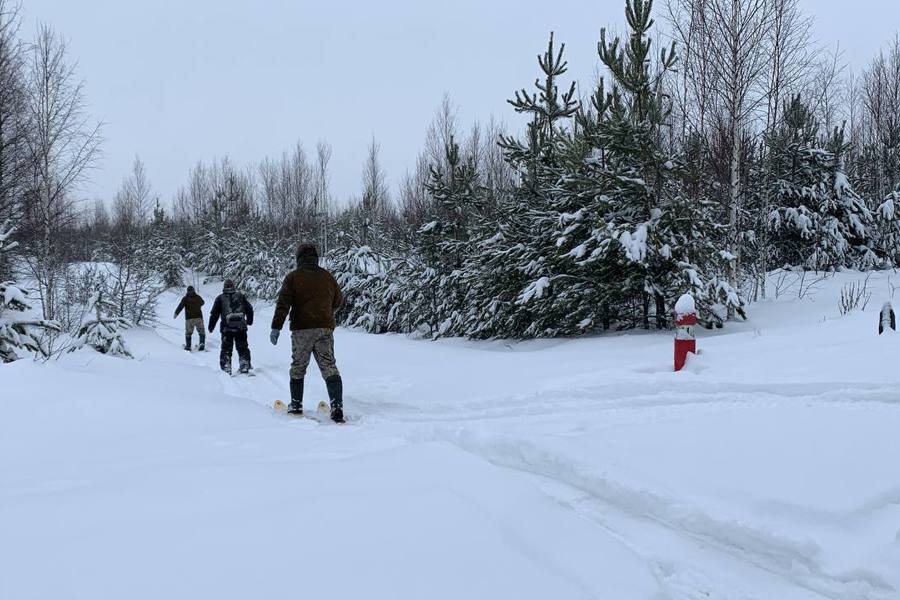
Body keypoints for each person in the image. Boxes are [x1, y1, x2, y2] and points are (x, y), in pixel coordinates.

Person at [270, 243, 345, 422]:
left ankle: (296, 405)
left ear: (299, 258)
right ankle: (337, 407)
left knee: (298, 367)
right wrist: (326, 311)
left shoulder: (293, 277)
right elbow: (339, 300)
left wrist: (276, 327)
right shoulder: (327, 276)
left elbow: (283, 304)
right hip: (324, 329)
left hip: (301, 330)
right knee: (329, 366)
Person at [208, 279, 254, 375]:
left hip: (226, 329)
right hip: (241, 328)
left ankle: (226, 368)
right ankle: (245, 365)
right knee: (243, 347)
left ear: (224, 287)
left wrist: (211, 327)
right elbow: (249, 309)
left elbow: (214, 314)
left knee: (226, 349)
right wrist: (249, 321)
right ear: (234, 286)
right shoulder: (241, 296)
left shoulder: (220, 298)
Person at [174, 285, 206, 351]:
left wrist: (176, 313)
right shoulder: (198, 297)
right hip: (199, 317)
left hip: (189, 318)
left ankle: (188, 346)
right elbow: (203, 302)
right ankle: (202, 343)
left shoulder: (185, 298)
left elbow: (180, 306)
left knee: (188, 332)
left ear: (187, 291)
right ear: (193, 290)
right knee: (201, 332)